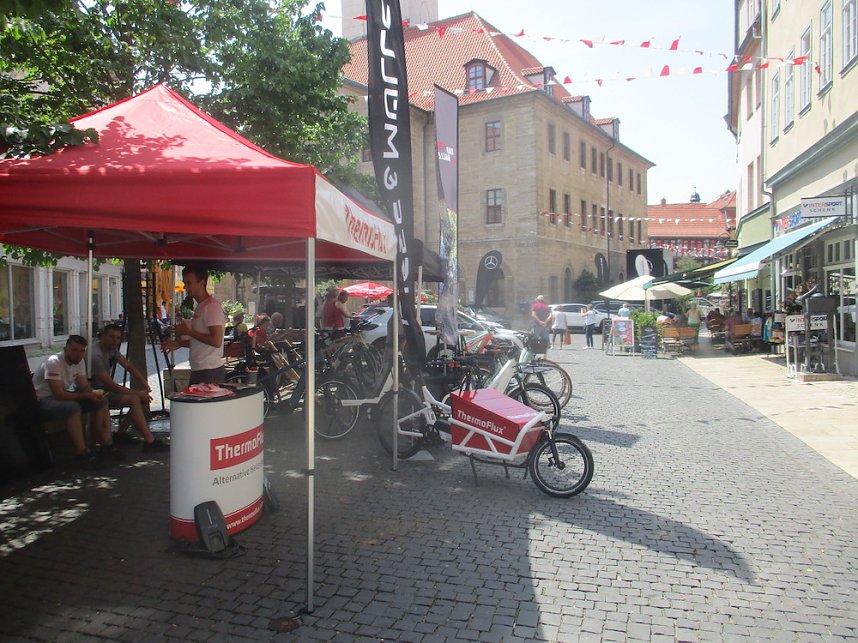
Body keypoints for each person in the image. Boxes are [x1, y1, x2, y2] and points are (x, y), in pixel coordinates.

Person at [32, 335, 120, 468]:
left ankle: (107, 445)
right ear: (65, 349)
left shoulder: (80, 362)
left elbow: (83, 385)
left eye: (81, 351)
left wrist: (92, 392)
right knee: (72, 408)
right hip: (43, 400)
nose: (78, 354)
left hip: (62, 396)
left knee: (102, 402)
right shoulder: (54, 362)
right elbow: (59, 394)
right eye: (74, 350)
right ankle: (82, 453)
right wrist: (86, 396)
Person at [90, 323, 169, 452]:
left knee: (139, 399)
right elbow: (110, 385)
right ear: (103, 336)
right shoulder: (95, 355)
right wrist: (138, 393)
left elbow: (129, 366)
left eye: (118, 338)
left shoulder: (112, 349)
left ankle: (120, 434)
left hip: (104, 389)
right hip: (94, 391)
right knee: (135, 399)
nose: (115, 340)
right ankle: (149, 440)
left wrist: (144, 383)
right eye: (111, 337)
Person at [162, 265, 226, 385]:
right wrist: (179, 344)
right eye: (185, 283)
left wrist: (188, 332)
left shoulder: (211, 307)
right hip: (201, 370)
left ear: (201, 283)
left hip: (209, 371)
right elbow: (201, 341)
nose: (186, 287)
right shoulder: (201, 306)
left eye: (189, 283)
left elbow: (216, 341)